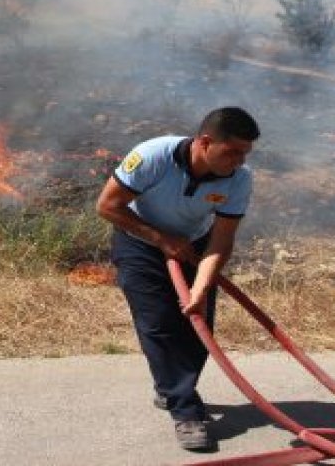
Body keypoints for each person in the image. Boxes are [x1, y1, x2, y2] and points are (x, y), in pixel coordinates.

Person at [95, 106, 259, 452]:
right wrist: (160, 239)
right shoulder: (152, 156)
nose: (239, 161)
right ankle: (186, 411)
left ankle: (170, 385)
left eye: (245, 153)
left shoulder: (239, 179)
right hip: (139, 241)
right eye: (232, 152)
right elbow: (108, 206)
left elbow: (222, 239)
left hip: (194, 245)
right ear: (204, 142)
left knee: (197, 328)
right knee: (158, 323)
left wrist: (200, 287)